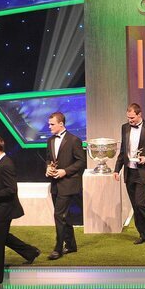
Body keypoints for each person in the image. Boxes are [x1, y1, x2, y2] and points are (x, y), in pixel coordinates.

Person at [0, 137, 40, 286]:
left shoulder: (6, 165)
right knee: (3, 237)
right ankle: (30, 252)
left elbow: (11, 190)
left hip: (4, 209)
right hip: (1, 206)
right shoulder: (2, 163)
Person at [113, 103, 145, 244]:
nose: (130, 120)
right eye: (128, 118)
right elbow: (123, 151)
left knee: (141, 203)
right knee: (135, 205)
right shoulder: (124, 128)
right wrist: (117, 169)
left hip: (144, 172)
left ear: (140, 114)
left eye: (132, 118)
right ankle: (143, 234)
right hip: (130, 172)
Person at [45, 111, 85, 260]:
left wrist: (65, 171)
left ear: (61, 124)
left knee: (58, 215)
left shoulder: (74, 140)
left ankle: (58, 248)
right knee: (64, 216)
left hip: (68, 183)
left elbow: (81, 162)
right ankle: (71, 244)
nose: (49, 127)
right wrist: (48, 168)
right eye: (49, 124)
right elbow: (49, 159)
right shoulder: (50, 141)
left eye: (52, 124)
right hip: (55, 183)